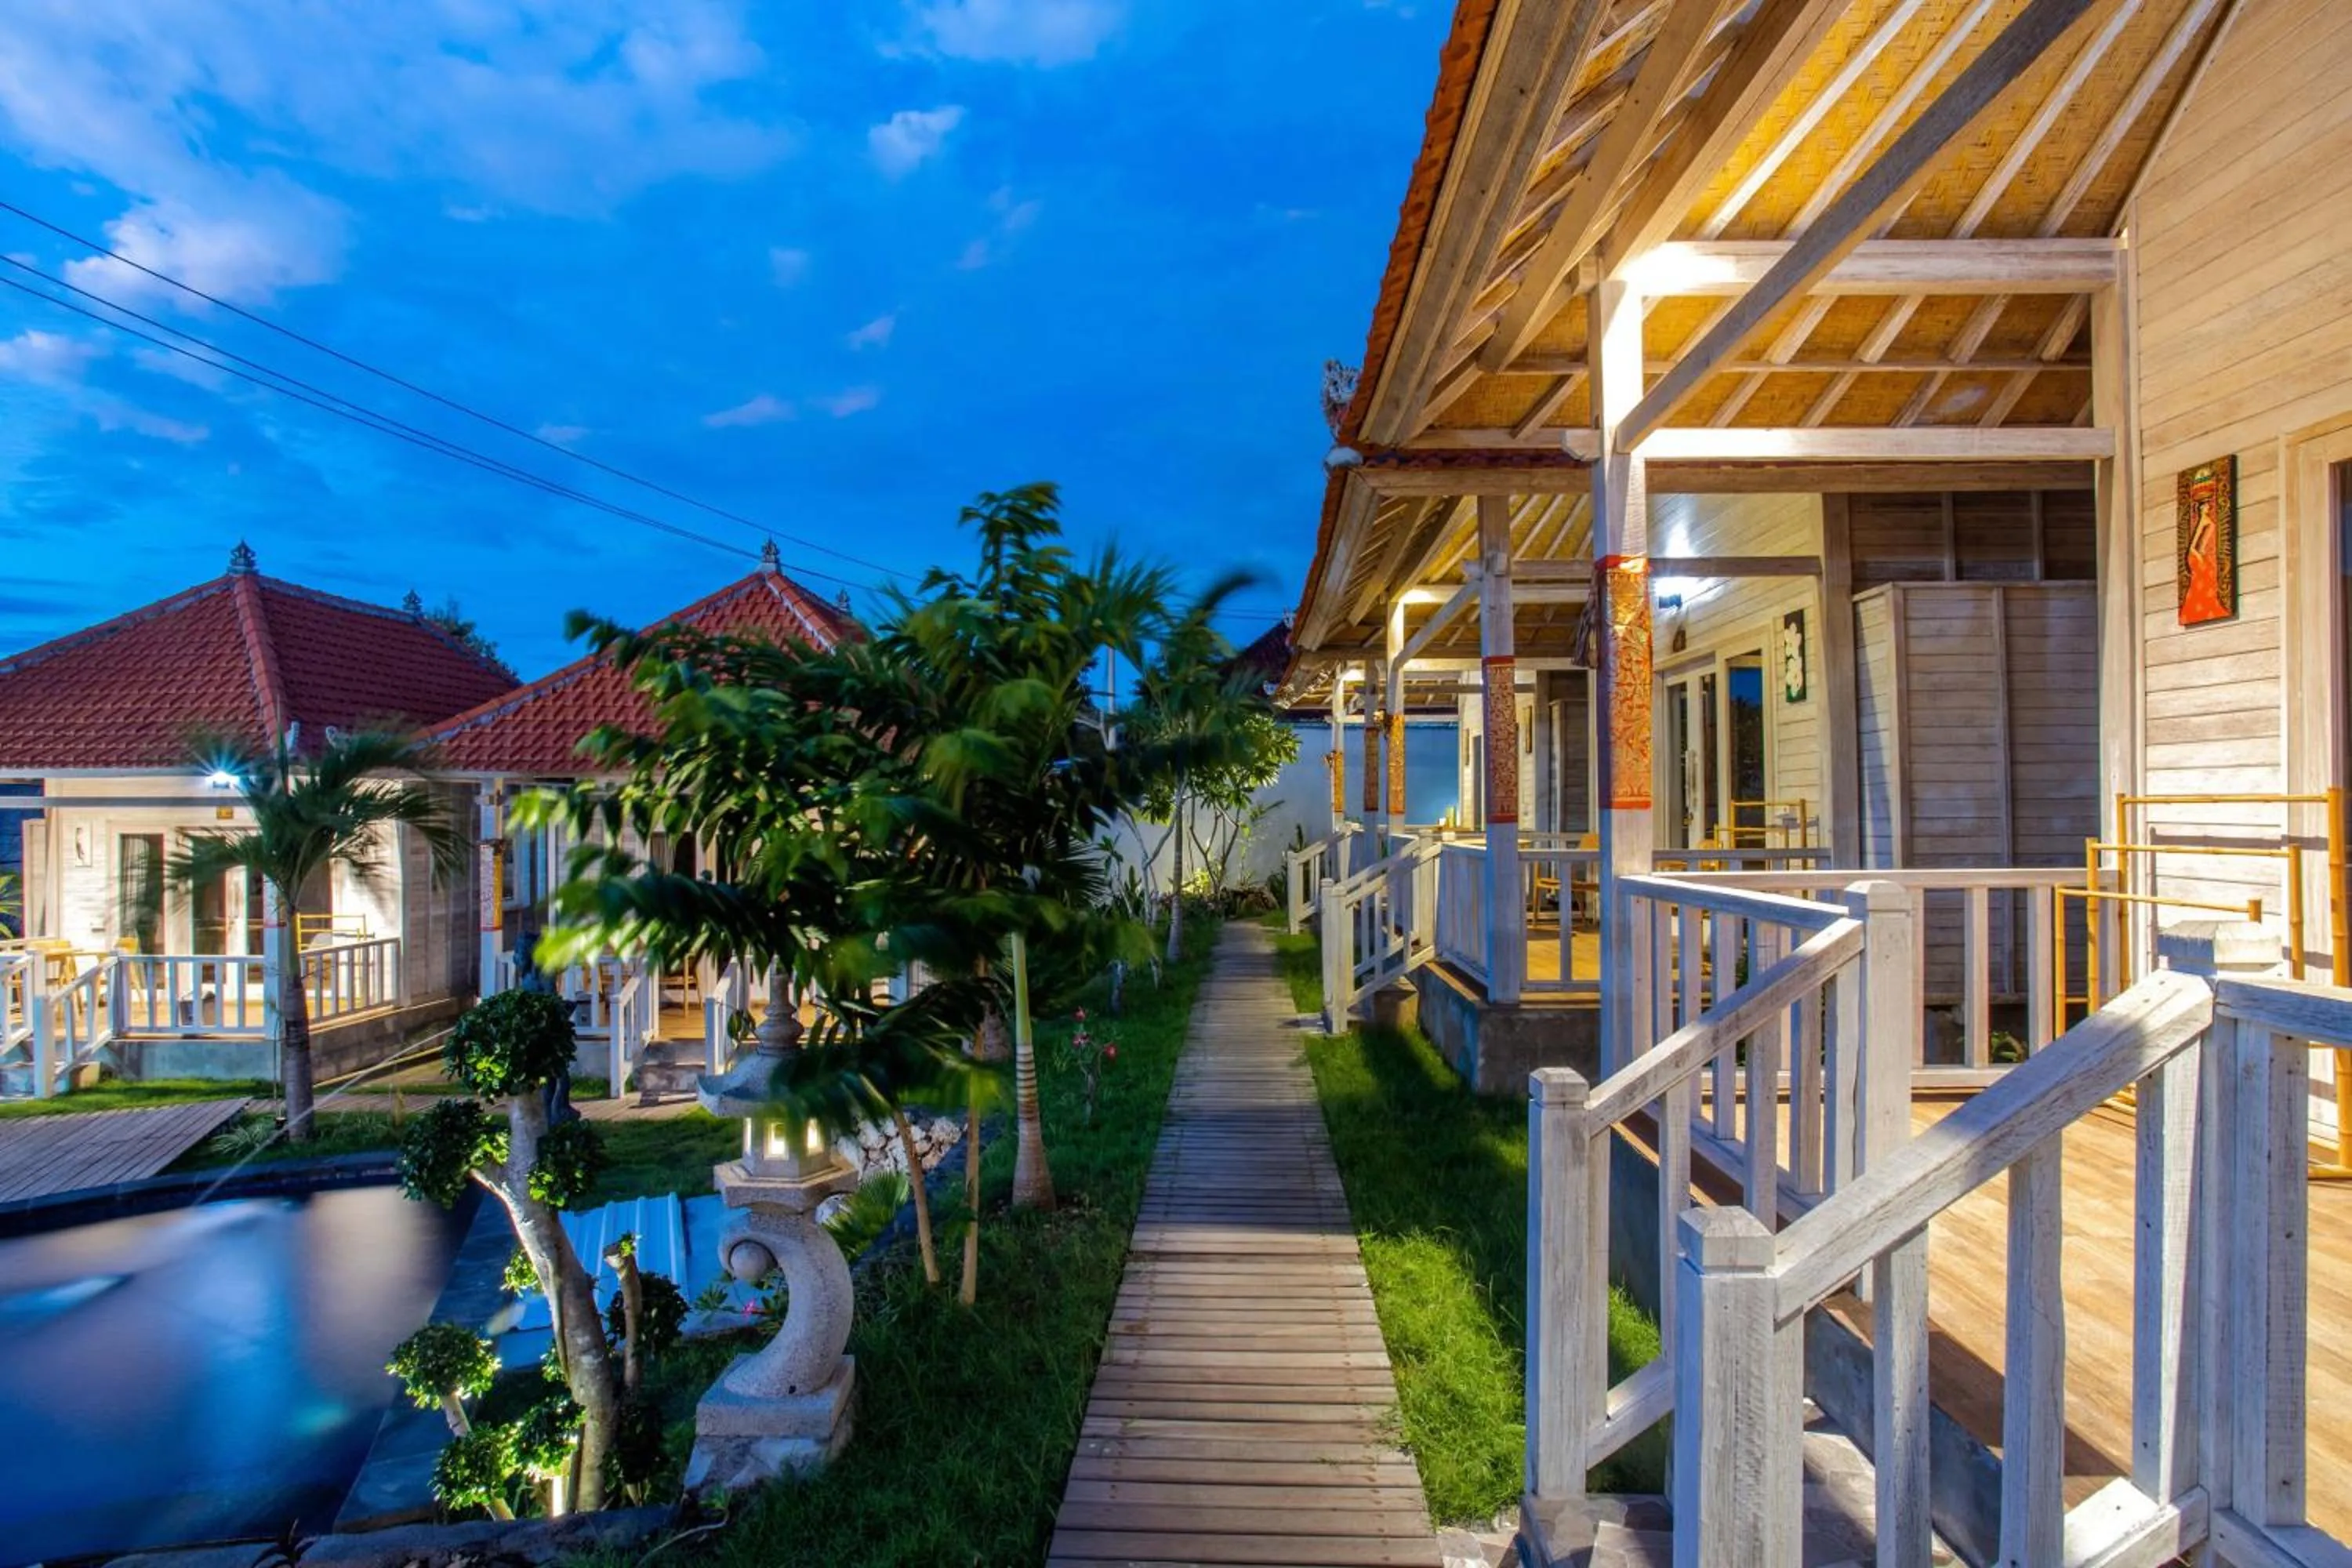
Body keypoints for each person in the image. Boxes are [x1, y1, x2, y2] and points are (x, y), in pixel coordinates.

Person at [2182, 494, 2229, 622]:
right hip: (2197, 557)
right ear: (2203, 507)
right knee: (2202, 581)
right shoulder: (2203, 519)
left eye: (2209, 503)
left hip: (2201, 556)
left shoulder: (2206, 519)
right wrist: (2197, 556)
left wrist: (2201, 555)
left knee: (2208, 579)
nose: (2209, 505)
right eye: (2207, 503)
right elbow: (2193, 543)